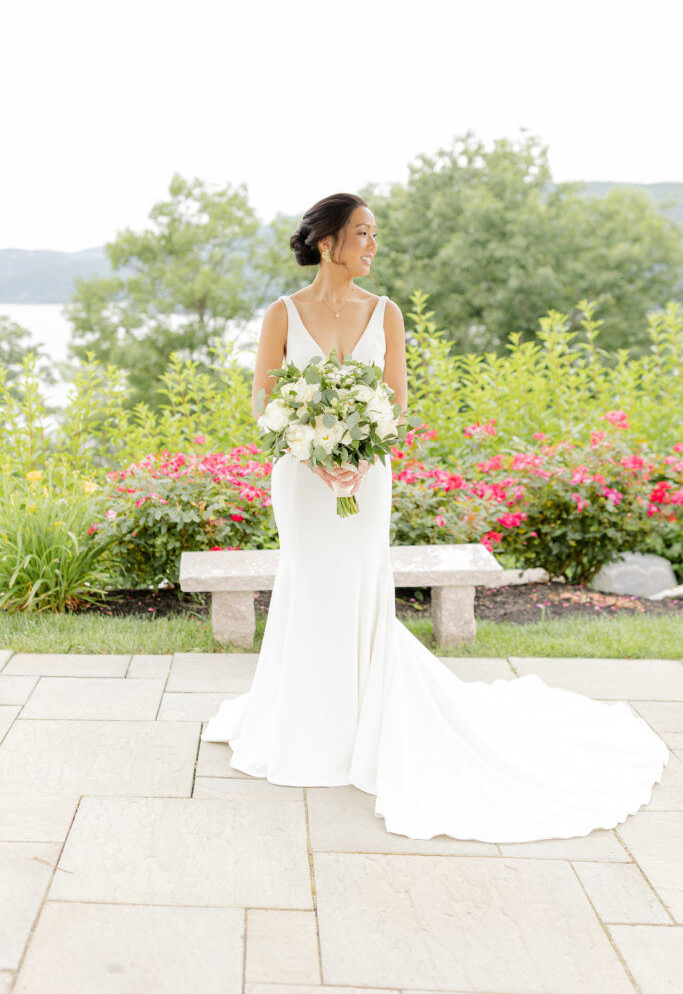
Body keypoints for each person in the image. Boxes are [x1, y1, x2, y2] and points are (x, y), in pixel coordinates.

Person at [201, 192, 669, 842]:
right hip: (301, 479)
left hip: (366, 477)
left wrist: (360, 460)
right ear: (329, 241)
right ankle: (301, 720)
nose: (372, 245)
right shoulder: (282, 314)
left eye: (373, 234)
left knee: (361, 584)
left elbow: (393, 400)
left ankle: (365, 719)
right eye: (361, 233)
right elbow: (263, 398)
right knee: (307, 581)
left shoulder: (385, 313)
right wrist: (312, 454)